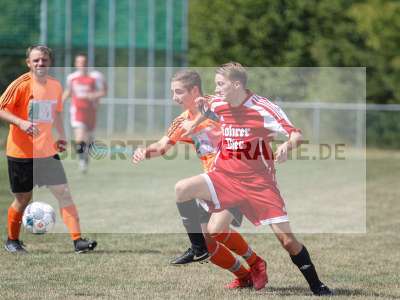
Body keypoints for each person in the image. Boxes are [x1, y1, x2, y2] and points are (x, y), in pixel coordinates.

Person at [176, 62, 332, 295]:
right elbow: (209, 110)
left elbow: (296, 135)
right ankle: (199, 248)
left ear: (236, 84)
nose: (216, 89)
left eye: (220, 84)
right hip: (225, 175)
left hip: (259, 184)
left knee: (288, 242)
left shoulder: (264, 108)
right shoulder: (219, 101)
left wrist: (287, 147)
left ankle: (317, 285)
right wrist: (194, 122)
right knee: (184, 191)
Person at [132, 70, 266, 290]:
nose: (174, 97)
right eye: (172, 92)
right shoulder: (181, 120)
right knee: (209, 241)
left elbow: (241, 119)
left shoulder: (218, 104)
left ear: (195, 90)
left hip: (236, 177)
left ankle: (256, 263)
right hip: (211, 182)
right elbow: (162, 146)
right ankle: (243, 276)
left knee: (216, 228)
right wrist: (144, 151)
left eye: (178, 92)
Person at [0, 45, 97, 254]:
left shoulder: (55, 85)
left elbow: (58, 113)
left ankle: (78, 240)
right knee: (23, 199)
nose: (40, 63)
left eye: (44, 60)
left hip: (46, 152)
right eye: (35, 60)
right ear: (28, 63)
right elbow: (1, 109)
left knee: (64, 193)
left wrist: (61, 136)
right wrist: (21, 123)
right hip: (21, 154)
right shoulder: (20, 85)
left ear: (49, 62)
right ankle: (12, 240)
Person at [62, 53, 107, 173]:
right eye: (79, 62)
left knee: (89, 140)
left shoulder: (96, 76)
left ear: (87, 63)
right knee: (79, 137)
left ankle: (85, 156)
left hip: (91, 112)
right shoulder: (71, 78)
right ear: (76, 64)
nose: (82, 65)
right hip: (77, 111)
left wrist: (93, 95)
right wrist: (59, 103)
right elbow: (68, 91)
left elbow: (104, 91)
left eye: (84, 62)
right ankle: (82, 162)